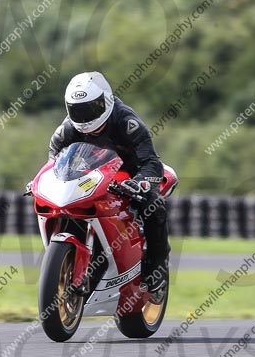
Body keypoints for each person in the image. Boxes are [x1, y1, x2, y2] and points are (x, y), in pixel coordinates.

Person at [48, 71, 170, 303]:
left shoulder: (128, 123)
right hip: (93, 174)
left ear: (107, 100)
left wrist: (141, 182)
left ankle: (157, 265)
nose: (84, 117)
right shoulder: (66, 130)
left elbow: (152, 162)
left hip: (130, 174)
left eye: (91, 108)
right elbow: (54, 161)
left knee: (154, 206)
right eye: (78, 110)